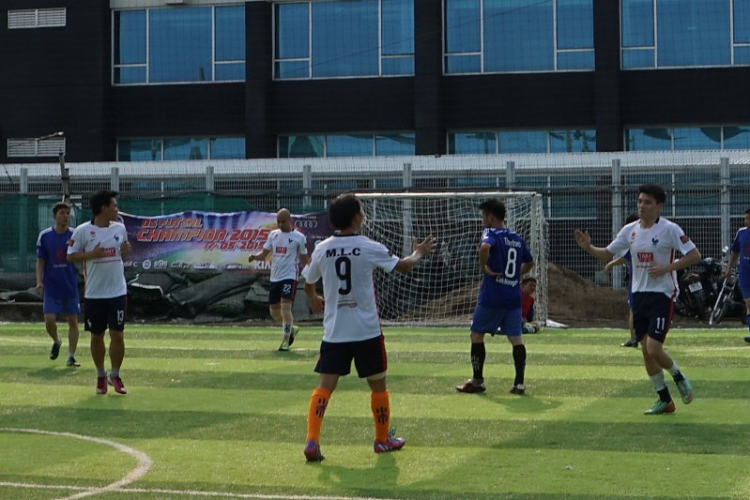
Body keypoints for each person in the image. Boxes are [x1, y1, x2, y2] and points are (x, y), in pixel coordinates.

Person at [301, 193, 434, 462]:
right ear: (355, 217)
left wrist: (313, 298)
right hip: (366, 331)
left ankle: (312, 440)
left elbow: (308, 279)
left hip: (335, 331)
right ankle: (382, 439)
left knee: (325, 386)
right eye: (361, 211)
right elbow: (404, 267)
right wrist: (418, 253)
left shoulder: (323, 248)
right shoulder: (368, 246)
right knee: (378, 385)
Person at [574, 184, 700, 415]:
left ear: (659, 206)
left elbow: (694, 255)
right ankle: (665, 400)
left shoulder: (670, 229)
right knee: (645, 350)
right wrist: (588, 246)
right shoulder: (629, 230)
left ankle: (678, 376)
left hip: (662, 293)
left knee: (653, 348)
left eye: (647, 202)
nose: (642, 206)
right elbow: (606, 253)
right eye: (640, 201)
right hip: (639, 294)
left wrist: (667, 268)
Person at [456, 199, 534, 396]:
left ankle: (478, 381)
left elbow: (484, 248)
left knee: (476, 335)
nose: (483, 220)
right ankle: (519, 384)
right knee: (516, 339)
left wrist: (484, 268)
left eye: (484, 216)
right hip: (512, 296)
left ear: (490, 216)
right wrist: (516, 276)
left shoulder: (491, 233)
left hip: (492, 296)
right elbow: (530, 262)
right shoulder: (516, 237)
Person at [67, 190, 131, 395]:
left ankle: (115, 374)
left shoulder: (120, 228)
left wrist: (126, 251)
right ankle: (101, 375)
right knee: (97, 336)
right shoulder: (83, 231)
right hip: (94, 294)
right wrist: (92, 254)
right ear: (103, 208)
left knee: (117, 335)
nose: (117, 209)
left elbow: (123, 251)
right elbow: (71, 256)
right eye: (114, 205)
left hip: (117, 292)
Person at [248, 208, 309, 351]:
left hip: (289, 276)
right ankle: (291, 328)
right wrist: (254, 257)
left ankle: (285, 340)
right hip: (275, 277)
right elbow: (264, 254)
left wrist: (309, 273)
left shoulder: (299, 237)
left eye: (283, 221)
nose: (280, 224)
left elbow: (305, 259)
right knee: (274, 312)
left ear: (289, 221)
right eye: (278, 222)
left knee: (285, 307)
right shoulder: (273, 235)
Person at [36, 202, 81, 367]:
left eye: (68, 213)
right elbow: (40, 261)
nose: (65, 216)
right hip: (52, 286)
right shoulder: (45, 236)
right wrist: (39, 281)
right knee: (49, 319)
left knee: (73, 321)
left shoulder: (75, 235)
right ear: (54, 216)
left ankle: (71, 356)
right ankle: (56, 340)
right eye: (62, 213)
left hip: (69, 285)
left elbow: (82, 255)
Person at [603, 212, 639, 348]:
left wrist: (611, 263)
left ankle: (635, 338)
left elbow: (626, 257)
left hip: (637, 281)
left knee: (634, 310)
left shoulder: (636, 238)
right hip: (644, 279)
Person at [724, 207, 750, 344]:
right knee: (749, 304)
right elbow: (735, 252)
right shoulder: (742, 233)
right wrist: (729, 268)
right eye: (746, 218)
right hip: (745, 274)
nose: (746, 221)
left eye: (749, 219)